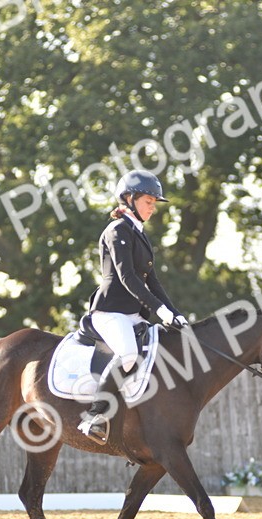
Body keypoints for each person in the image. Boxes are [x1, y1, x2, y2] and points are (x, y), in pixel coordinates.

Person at [78, 169, 188, 442]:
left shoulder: (139, 234)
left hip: (133, 314)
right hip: (110, 312)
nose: (153, 207)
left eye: (154, 202)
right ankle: (94, 416)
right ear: (129, 198)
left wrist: (175, 314)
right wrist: (159, 310)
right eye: (148, 201)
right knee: (128, 354)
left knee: (163, 346)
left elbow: (153, 282)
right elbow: (127, 278)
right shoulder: (117, 231)